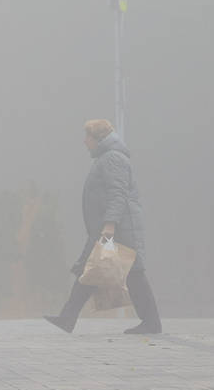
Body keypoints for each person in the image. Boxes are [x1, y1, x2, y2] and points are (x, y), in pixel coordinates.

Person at [45, 119, 162, 334]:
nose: (84, 141)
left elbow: (118, 193)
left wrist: (110, 225)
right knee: (91, 268)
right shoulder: (106, 158)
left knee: (132, 272)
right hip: (110, 227)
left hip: (119, 229)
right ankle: (67, 317)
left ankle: (152, 323)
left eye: (87, 137)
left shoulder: (112, 158)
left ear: (98, 138)